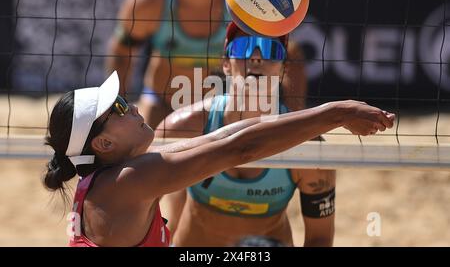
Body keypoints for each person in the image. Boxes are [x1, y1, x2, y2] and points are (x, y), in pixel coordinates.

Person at [43, 71, 394, 247]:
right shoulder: (129, 181)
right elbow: (237, 151)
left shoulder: (112, 177)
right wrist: (336, 113)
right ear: (104, 142)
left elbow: (224, 136)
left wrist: (323, 116)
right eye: (118, 107)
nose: (132, 105)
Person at [156, 22, 338, 246]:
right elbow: (139, 205)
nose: (256, 57)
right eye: (243, 47)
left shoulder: (309, 150)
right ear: (225, 64)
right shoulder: (182, 128)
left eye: (271, 49)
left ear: (282, 68)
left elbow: (319, 239)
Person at [106, 0, 307, 129]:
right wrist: (118, 110)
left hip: (226, 111)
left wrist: (293, 114)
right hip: (162, 104)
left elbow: (291, 54)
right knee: (138, 157)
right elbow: (122, 53)